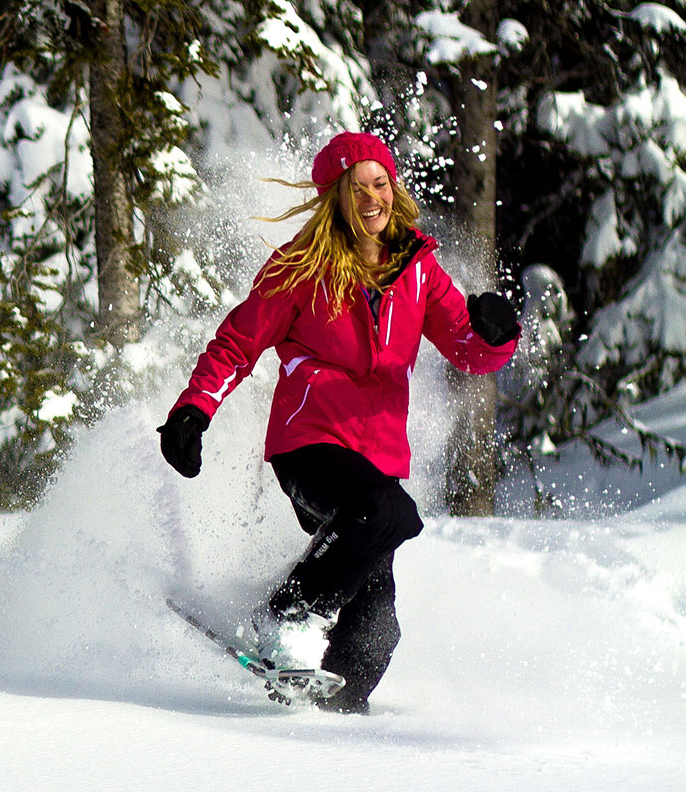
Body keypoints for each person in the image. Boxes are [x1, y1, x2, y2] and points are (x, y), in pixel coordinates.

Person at [157, 132, 520, 713]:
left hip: (376, 461)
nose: (373, 198)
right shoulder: (300, 268)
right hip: (310, 445)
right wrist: (193, 410)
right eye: (358, 189)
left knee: (377, 630)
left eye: (381, 183)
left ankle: (335, 721)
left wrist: (495, 335)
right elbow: (238, 344)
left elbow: (467, 350)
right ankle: (285, 616)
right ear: (334, 198)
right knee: (386, 511)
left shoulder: (418, 268)